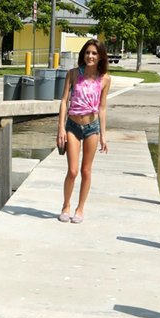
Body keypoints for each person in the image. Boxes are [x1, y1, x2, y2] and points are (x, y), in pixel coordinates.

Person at [55, 39, 110, 223]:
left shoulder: (105, 79)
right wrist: (61, 127)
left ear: (100, 56)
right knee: (72, 171)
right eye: (87, 52)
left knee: (86, 171)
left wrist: (103, 135)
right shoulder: (73, 74)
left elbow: (102, 107)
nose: (90, 56)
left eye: (94, 53)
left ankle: (80, 209)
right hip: (72, 126)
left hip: (92, 128)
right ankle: (66, 206)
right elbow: (64, 101)